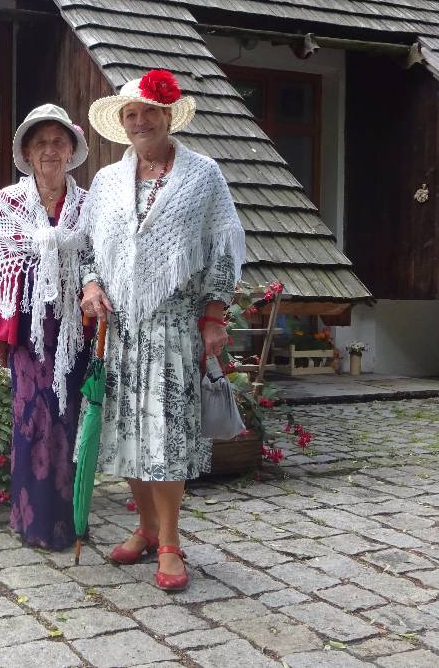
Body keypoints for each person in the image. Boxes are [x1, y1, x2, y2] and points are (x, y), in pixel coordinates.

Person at [78, 69, 246, 590]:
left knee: (167, 436)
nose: (139, 121)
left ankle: (170, 542)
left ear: (168, 116)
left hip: (174, 328)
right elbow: (88, 248)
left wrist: (214, 316)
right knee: (128, 435)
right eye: (130, 114)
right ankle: (147, 529)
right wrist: (90, 286)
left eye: (148, 111)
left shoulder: (203, 175)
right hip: (121, 331)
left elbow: (223, 247)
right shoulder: (106, 181)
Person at [0, 104, 91, 550]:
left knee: (70, 419)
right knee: (31, 419)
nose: (50, 150)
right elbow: (0, 266)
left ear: (70, 150)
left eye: (58, 142)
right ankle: (31, 520)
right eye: (40, 142)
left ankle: (70, 520)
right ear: (27, 152)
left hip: (75, 329)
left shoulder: (87, 205)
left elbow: (95, 258)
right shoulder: (7, 202)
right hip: (29, 330)